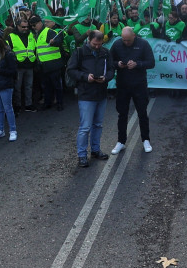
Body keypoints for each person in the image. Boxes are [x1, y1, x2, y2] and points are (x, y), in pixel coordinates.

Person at [66, 30, 115, 168]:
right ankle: (82, 155)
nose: (97, 46)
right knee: (85, 127)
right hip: (86, 94)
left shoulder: (105, 52)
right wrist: (85, 77)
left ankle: (95, 150)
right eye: (95, 44)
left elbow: (111, 69)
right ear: (89, 40)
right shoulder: (80, 52)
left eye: (100, 44)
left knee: (98, 125)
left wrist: (106, 78)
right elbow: (71, 70)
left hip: (101, 93)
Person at [109, 27, 155, 154]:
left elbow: (151, 62)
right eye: (124, 40)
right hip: (122, 84)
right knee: (122, 113)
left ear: (134, 36)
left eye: (128, 40)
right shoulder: (117, 44)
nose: (126, 42)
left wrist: (137, 64)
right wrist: (118, 64)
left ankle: (146, 140)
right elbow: (109, 61)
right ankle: (121, 141)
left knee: (142, 113)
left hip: (139, 84)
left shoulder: (143, 44)